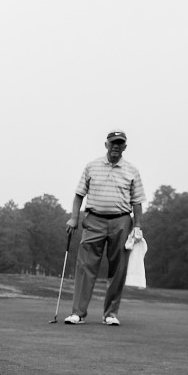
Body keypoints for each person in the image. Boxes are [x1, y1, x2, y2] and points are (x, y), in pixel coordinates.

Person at [64, 130, 146, 326]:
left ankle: (110, 314)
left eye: (120, 143)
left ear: (125, 147)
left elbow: (137, 203)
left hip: (122, 221)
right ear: (106, 145)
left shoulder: (132, 171)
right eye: (113, 143)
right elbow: (78, 195)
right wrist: (74, 218)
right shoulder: (92, 167)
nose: (116, 146)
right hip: (94, 220)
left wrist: (138, 227)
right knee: (85, 266)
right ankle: (78, 313)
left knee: (118, 268)